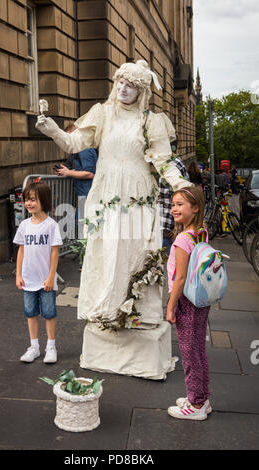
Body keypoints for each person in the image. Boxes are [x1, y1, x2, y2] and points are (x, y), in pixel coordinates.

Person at [36, 60, 193, 380]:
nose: (123, 89)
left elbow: (164, 162)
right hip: (106, 197)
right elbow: (72, 143)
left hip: (138, 196)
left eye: (131, 85)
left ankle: (139, 314)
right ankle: (108, 312)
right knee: (108, 255)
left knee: (137, 253)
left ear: (142, 91)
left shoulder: (152, 121)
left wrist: (182, 185)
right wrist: (48, 124)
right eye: (121, 82)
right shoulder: (102, 114)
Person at [166, 186, 212, 420]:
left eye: (180, 204)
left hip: (186, 300)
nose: (174, 208)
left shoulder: (183, 239)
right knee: (198, 350)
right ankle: (202, 398)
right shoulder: (201, 232)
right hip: (201, 298)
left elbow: (180, 277)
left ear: (195, 208)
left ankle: (195, 405)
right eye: (173, 204)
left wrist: (170, 305)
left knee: (189, 353)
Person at [14, 182, 63, 364]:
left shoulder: (51, 226)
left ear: (44, 201)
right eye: (27, 199)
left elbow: (54, 252)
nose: (29, 203)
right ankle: (33, 346)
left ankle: (51, 346)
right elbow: (21, 251)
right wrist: (18, 275)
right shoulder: (25, 225)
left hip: (46, 280)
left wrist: (51, 276)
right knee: (30, 313)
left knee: (49, 313)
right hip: (28, 279)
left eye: (33, 199)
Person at [159, 139, 190, 256]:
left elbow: (181, 197)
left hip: (168, 226)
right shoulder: (173, 163)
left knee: (170, 268)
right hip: (169, 225)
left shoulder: (172, 166)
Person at [56, 124, 98, 198]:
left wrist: (68, 172)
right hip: (83, 194)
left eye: (69, 137)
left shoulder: (85, 150)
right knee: (81, 209)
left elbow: (90, 174)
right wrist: (65, 171)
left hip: (88, 195)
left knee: (82, 210)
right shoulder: (78, 150)